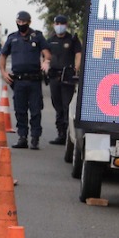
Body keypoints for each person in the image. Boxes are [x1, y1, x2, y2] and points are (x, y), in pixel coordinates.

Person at [0, 11, 51, 150]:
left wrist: (46, 61)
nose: (21, 24)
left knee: (35, 110)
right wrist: (3, 72)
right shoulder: (12, 38)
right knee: (20, 110)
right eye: (19, 22)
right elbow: (3, 56)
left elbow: (46, 53)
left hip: (34, 80)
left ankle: (35, 138)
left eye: (24, 22)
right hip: (18, 81)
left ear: (29, 22)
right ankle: (22, 137)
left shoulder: (37, 36)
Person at [46, 14, 83, 145]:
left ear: (66, 25)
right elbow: (46, 57)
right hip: (54, 76)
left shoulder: (72, 40)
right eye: (57, 24)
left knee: (67, 105)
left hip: (67, 77)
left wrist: (75, 69)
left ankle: (68, 134)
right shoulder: (50, 41)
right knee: (57, 105)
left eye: (62, 24)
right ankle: (60, 133)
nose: (59, 26)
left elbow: (78, 55)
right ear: (54, 25)